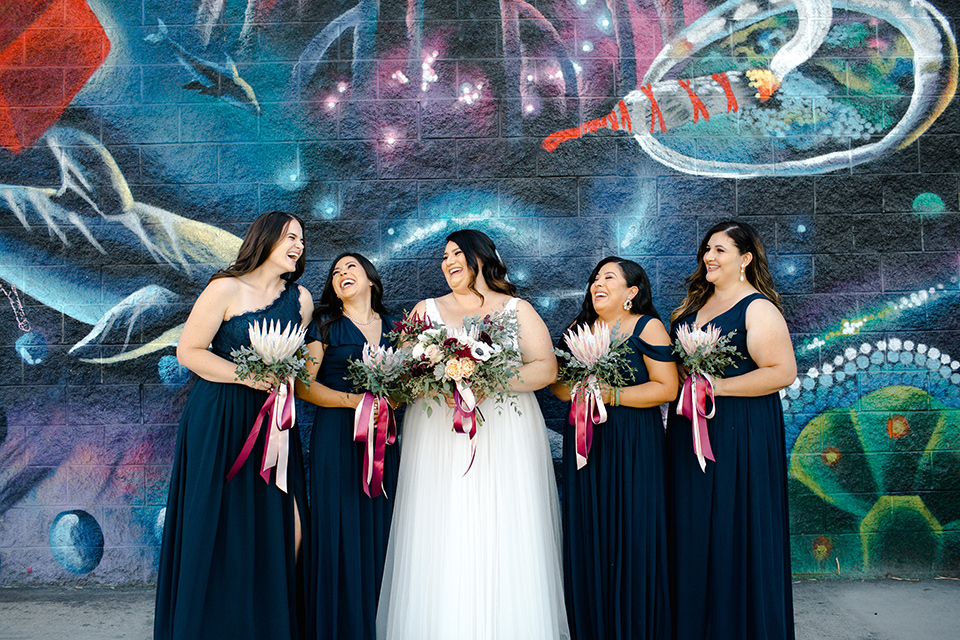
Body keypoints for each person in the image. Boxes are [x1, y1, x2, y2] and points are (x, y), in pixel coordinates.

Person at [376, 229, 570, 640]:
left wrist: (489, 382)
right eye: (443, 256)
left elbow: (545, 369)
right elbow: (405, 376)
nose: (447, 262)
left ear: (480, 257)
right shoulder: (425, 310)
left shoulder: (518, 309)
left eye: (456, 253)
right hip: (439, 436)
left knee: (506, 525)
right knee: (441, 525)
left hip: (505, 432)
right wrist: (438, 383)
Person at [154, 211, 313, 639]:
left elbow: (298, 359)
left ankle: (264, 624)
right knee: (218, 523)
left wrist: (286, 377)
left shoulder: (301, 300)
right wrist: (249, 375)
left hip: (275, 427)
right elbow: (189, 351)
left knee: (286, 524)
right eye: (289, 237)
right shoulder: (224, 288)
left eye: (301, 239)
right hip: (220, 418)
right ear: (265, 240)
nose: (298, 245)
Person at [665, 220, 797, 640]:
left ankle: (738, 625)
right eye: (707, 248)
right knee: (692, 525)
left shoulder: (757, 308)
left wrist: (716, 387)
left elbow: (783, 371)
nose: (709, 256)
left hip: (740, 434)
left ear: (745, 258)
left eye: (720, 250)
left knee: (733, 525)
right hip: (689, 434)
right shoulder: (690, 310)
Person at [550, 257, 677, 640]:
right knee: (589, 528)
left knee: (632, 528)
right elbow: (556, 384)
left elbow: (666, 387)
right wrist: (580, 390)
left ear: (631, 292)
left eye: (609, 278)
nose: (597, 284)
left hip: (633, 439)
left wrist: (611, 394)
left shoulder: (647, 326)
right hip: (586, 441)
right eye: (595, 278)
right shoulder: (578, 329)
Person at [296, 253, 399, 640]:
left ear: (371, 279)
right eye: (336, 273)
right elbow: (303, 385)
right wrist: (351, 401)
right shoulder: (325, 325)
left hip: (384, 438)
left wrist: (392, 401)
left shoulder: (396, 327)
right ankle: (339, 625)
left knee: (381, 521)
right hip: (337, 437)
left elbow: (406, 383)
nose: (342, 275)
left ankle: (378, 618)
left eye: (350, 268)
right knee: (338, 525)